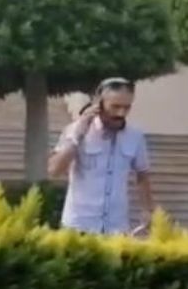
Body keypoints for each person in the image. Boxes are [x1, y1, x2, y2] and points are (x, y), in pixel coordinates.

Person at [48, 78, 155, 235]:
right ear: (99, 103)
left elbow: (142, 175)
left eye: (127, 107)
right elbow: (54, 170)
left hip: (116, 227)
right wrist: (77, 136)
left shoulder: (135, 136)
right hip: (79, 226)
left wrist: (147, 209)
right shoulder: (74, 130)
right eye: (115, 106)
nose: (121, 113)